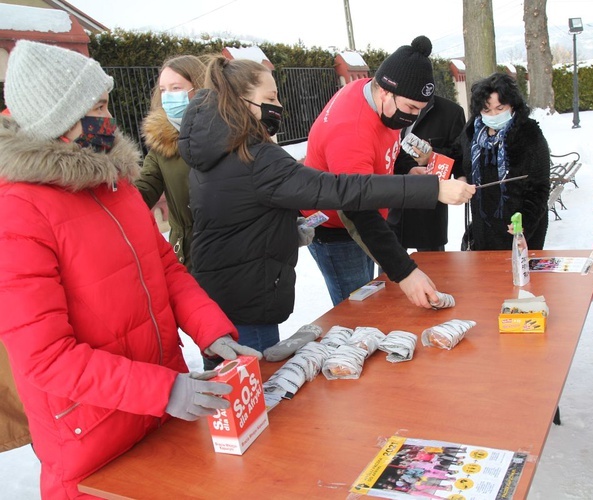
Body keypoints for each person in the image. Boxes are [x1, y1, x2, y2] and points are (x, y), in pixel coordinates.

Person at [0, 40, 260, 497]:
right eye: (97, 106)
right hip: (94, 440)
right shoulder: (17, 212)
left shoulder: (113, 180)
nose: (109, 117)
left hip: (162, 414)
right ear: (57, 121)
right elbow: (45, 359)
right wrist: (162, 390)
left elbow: (165, 268)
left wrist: (213, 333)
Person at [178, 55, 474, 359]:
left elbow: (235, 214)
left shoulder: (222, 149)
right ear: (240, 102)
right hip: (244, 301)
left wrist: (280, 228)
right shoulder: (259, 158)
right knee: (259, 392)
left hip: (232, 293)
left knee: (248, 388)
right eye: (270, 98)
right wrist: (433, 188)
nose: (278, 106)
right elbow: (342, 189)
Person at [303, 36, 455, 307]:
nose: (412, 118)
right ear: (385, 91)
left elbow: (388, 148)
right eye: (410, 108)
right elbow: (360, 212)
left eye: (419, 111)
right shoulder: (350, 131)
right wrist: (405, 272)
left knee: (379, 299)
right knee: (360, 312)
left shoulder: (378, 99)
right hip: (337, 228)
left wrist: (407, 171)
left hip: (367, 216)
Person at [457, 72, 551, 251]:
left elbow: (540, 187)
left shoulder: (530, 134)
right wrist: (461, 176)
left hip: (520, 230)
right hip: (483, 228)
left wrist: (524, 221)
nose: (493, 115)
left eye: (500, 109)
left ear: (513, 106)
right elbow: (458, 156)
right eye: (487, 110)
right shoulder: (472, 132)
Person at [135, 55, 206, 271]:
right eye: (163, 90)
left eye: (176, 88)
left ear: (201, 89)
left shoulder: (227, 134)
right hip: (186, 254)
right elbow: (143, 189)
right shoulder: (161, 143)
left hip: (231, 252)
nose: (168, 97)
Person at [387, 94, 466, 252]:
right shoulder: (386, 105)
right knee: (389, 270)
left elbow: (460, 156)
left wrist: (432, 156)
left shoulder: (451, 112)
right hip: (391, 200)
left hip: (428, 210)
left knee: (433, 269)